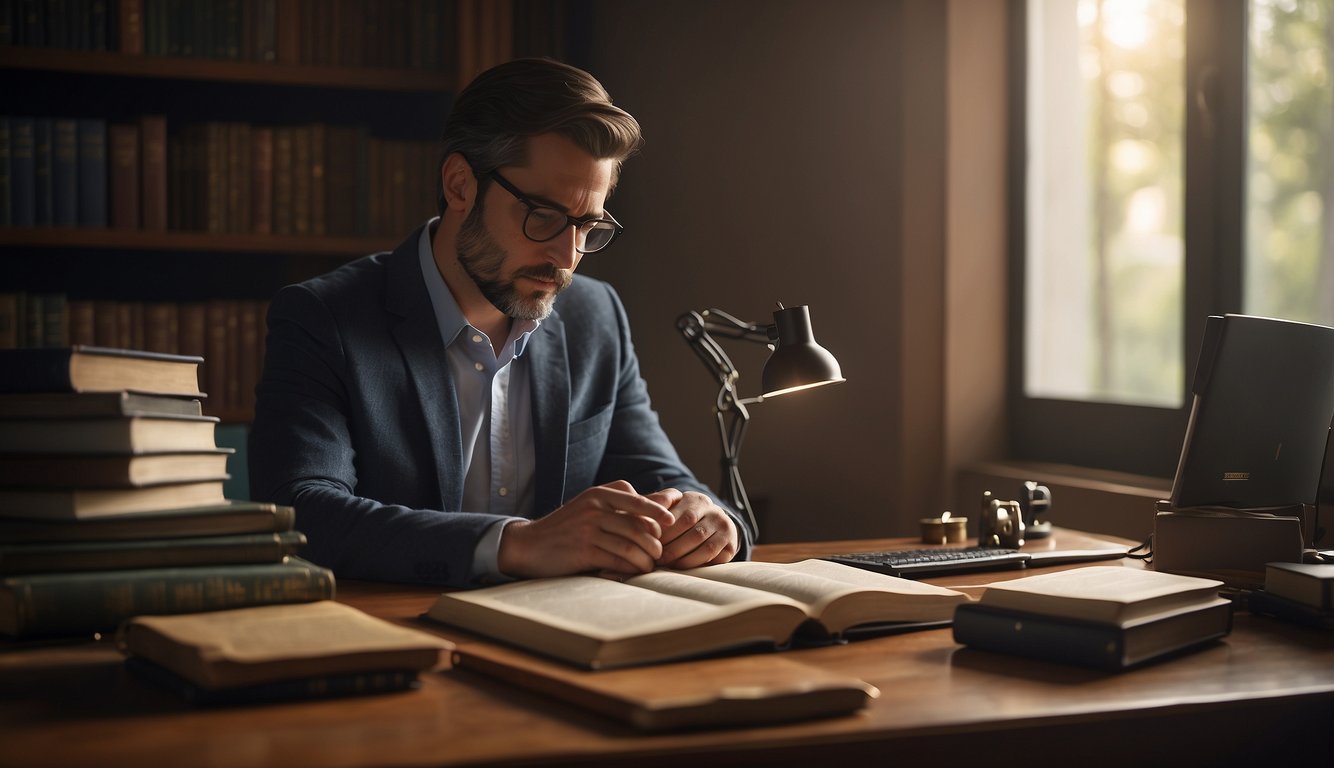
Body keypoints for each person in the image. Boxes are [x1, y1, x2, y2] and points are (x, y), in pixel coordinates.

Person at [248, 58, 749, 588]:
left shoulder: (595, 317)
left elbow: (660, 476)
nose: (567, 255)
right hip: (405, 640)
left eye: (588, 225)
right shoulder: (324, 318)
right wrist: (516, 544)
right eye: (544, 217)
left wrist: (712, 522)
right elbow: (301, 514)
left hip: (571, 641)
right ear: (461, 185)